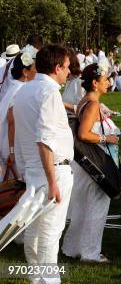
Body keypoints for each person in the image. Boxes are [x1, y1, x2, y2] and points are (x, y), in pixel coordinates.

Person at [13, 44, 73, 284]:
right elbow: (44, 139)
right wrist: (52, 182)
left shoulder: (25, 91)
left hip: (34, 169)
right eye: (67, 67)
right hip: (52, 170)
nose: (68, 72)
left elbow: (19, 136)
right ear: (57, 67)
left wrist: (24, 169)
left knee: (35, 230)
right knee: (50, 231)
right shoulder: (49, 92)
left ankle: (36, 278)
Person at [62, 62, 120, 263]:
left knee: (82, 206)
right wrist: (107, 138)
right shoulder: (92, 104)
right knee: (97, 206)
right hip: (94, 163)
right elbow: (84, 133)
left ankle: (74, 247)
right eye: (105, 80)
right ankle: (91, 253)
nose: (109, 82)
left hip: (84, 163)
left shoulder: (85, 101)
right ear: (95, 83)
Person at [0, 51, 37, 179]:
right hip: (13, 145)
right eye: (34, 68)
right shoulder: (20, 90)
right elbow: (12, 122)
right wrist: (11, 151)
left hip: (10, 143)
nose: (36, 71)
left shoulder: (13, 87)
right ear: (25, 72)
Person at [62, 50, 85, 117]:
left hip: (74, 122)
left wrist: (62, 104)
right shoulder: (69, 81)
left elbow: (82, 108)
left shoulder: (79, 82)